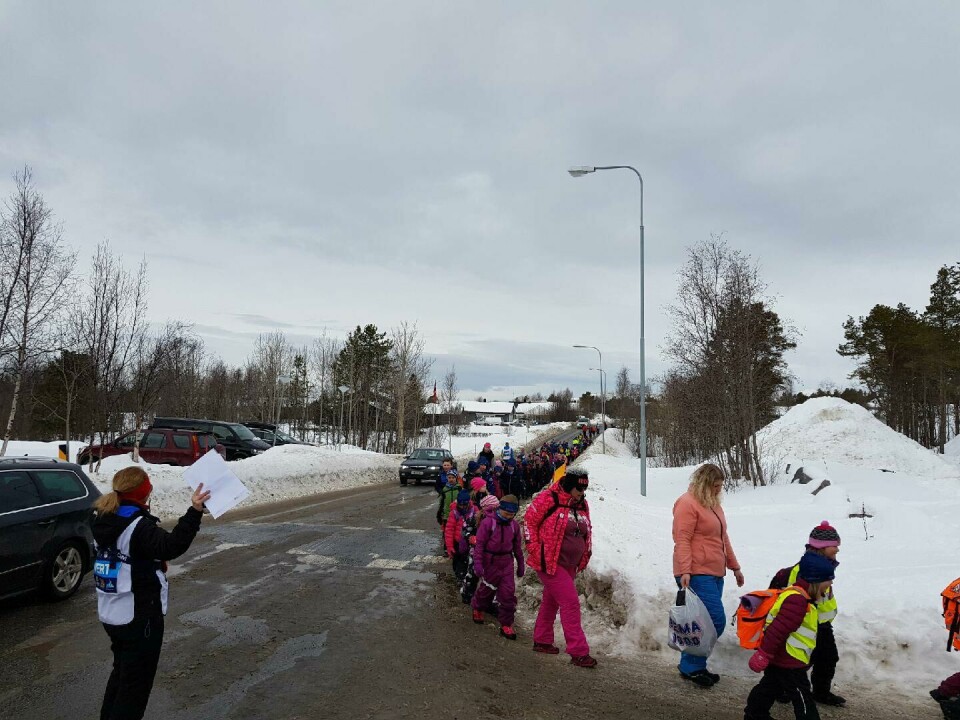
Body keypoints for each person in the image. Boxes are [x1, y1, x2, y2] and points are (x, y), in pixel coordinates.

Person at [93, 466, 210, 720]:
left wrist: (148, 561)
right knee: (134, 690)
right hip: (139, 616)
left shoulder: (103, 517)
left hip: (112, 612)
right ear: (145, 493)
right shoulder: (139, 526)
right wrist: (194, 511)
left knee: (122, 676)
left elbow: (128, 555)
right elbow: (171, 546)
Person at [672, 463, 744, 687]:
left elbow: (723, 538)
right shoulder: (687, 503)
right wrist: (685, 570)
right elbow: (682, 539)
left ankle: (692, 666)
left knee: (702, 622)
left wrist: (735, 567)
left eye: (720, 486)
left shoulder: (713, 504)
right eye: (715, 485)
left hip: (714, 572)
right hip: (695, 572)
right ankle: (692, 665)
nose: (718, 490)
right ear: (704, 483)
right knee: (714, 620)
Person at [744, 551, 837, 720]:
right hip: (789, 660)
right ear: (815, 581)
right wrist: (764, 654)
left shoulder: (801, 597)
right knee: (802, 696)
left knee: (769, 686)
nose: (830, 584)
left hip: (784, 657)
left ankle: (755, 714)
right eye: (828, 580)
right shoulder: (797, 601)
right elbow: (777, 630)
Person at [524, 467, 596, 668]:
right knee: (570, 603)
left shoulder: (582, 504)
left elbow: (587, 530)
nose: (582, 493)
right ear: (569, 485)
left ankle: (542, 640)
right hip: (549, 562)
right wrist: (535, 549)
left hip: (570, 564)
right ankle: (578, 651)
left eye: (585, 489)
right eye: (579, 489)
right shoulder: (549, 498)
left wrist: (586, 553)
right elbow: (529, 522)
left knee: (551, 602)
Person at [770, 521, 844, 707]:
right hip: (803, 624)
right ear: (821, 547)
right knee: (798, 659)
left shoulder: (825, 566)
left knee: (828, 657)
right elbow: (795, 599)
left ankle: (821, 692)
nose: (837, 549)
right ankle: (780, 689)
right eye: (834, 546)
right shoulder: (803, 570)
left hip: (822, 623)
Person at [471, 494, 524, 640]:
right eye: (507, 513)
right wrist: (478, 563)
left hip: (506, 563)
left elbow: (517, 547)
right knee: (486, 590)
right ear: (500, 509)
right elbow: (479, 546)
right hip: (490, 562)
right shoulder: (488, 523)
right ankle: (478, 607)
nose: (509, 517)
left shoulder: (514, 526)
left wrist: (520, 564)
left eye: (512, 514)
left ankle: (506, 624)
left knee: (508, 595)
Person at [445, 490, 477, 582]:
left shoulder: (474, 510)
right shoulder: (454, 513)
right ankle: (459, 576)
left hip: (469, 541)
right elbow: (449, 531)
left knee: (468, 560)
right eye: (460, 505)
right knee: (457, 561)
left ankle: (465, 576)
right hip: (457, 542)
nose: (462, 507)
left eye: (465, 505)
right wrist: (449, 546)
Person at [436, 471, 462, 536]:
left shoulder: (459, 488)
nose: (451, 479)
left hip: (457, 514)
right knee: (447, 531)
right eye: (449, 478)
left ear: (456, 478)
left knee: (456, 531)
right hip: (447, 514)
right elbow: (441, 502)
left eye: (453, 477)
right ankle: (446, 540)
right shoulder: (444, 489)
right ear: (447, 478)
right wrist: (440, 512)